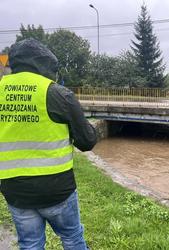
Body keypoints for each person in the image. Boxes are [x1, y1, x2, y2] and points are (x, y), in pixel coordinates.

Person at [0, 38, 97, 250]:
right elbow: (87, 141)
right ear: (45, 65)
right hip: (57, 189)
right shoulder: (56, 93)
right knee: (72, 238)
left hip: (15, 190)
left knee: (30, 244)